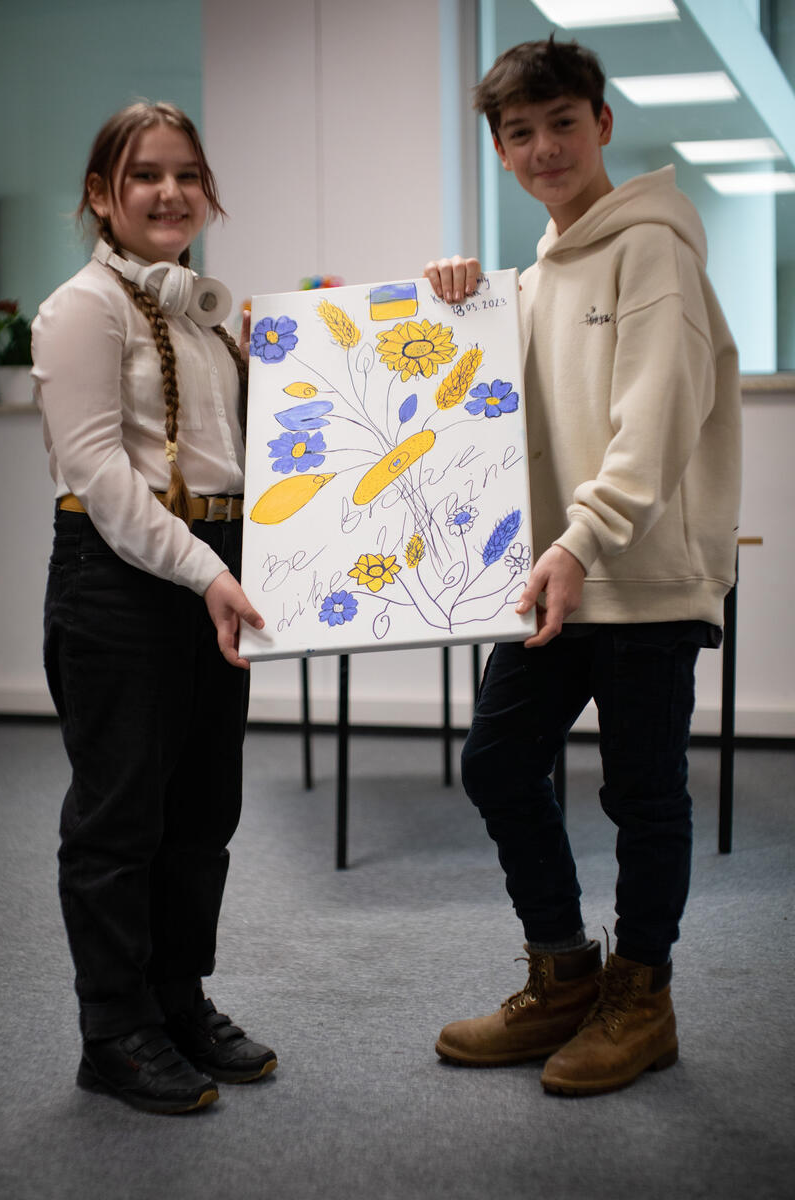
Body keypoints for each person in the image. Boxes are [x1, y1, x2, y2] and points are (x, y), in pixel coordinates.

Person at [424, 37, 741, 1096]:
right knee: (498, 763)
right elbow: (478, 415)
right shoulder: (535, 275)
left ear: (602, 124)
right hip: (554, 575)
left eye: (562, 122)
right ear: (500, 150)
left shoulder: (651, 248)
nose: (543, 146)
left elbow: (648, 424)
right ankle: (562, 974)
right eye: (519, 132)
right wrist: (453, 304)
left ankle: (639, 996)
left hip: (638, 575)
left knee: (642, 791)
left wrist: (579, 536)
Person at [33, 101, 276, 1115]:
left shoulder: (210, 312)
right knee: (121, 814)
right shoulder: (80, 309)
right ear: (100, 195)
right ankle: (113, 1027)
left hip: (214, 564)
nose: (168, 192)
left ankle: (177, 998)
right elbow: (102, 473)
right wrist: (206, 573)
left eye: (185, 174)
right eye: (142, 175)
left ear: (207, 191)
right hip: (123, 573)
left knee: (200, 811)